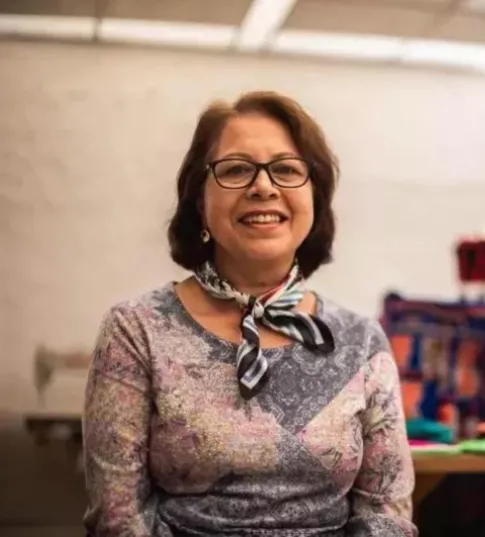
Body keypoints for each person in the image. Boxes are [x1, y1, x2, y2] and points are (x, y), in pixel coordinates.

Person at [81, 91, 417, 537]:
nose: (263, 186)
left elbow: (387, 512)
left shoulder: (360, 341)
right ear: (199, 201)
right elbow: (119, 519)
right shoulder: (135, 329)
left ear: (314, 200)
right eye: (237, 169)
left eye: (287, 169)